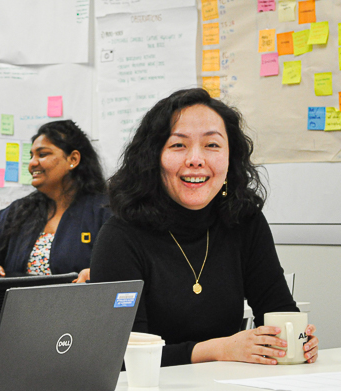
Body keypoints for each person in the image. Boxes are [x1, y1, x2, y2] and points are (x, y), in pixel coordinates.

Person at [90, 88, 319, 367]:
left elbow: (279, 311)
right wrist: (217, 349)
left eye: (212, 145)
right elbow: (122, 356)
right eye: (178, 145)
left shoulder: (244, 222)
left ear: (229, 158)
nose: (196, 159)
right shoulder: (120, 237)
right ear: (153, 158)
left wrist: (297, 343)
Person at [0, 120, 110, 281]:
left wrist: (99, 273)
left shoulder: (104, 211)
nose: (32, 164)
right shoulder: (17, 213)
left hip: (80, 304)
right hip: (18, 305)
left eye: (42, 154)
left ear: (73, 159)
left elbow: (123, 265)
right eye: (31, 156)